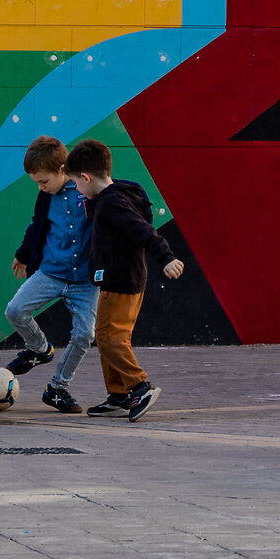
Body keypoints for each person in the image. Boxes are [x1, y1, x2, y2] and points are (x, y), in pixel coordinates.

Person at [64, 137, 184, 422]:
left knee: (109, 337)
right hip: (122, 279)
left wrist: (165, 257)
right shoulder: (117, 194)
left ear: (85, 177)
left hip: (120, 281)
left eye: (76, 185)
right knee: (112, 337)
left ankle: (140, 386)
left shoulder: (113, 203)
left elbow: (142, 230)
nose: (78, 192)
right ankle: (119, 395)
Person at [0, 135, 100, 412]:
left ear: (62, 169)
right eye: (37, 183)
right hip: (51, 273)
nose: (42, 188)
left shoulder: (87, 192)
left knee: (83, 335)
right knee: (15, 310)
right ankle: (40, 348)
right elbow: (37, 226)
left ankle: (57, 388)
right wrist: (23, 254)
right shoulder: (45, 199)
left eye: (44, 181)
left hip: (84, 281)